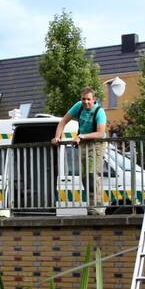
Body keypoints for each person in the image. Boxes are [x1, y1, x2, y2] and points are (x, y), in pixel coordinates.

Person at [52, 87, 108, 215]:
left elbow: (100, 133)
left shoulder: (99, 111)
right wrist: (57, 137)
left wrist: (81, 136)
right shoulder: (78, 106)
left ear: (94, 99)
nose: (86, 102)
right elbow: (63, 122)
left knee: (92, 175)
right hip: (83, 144)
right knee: (85, 177)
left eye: (88, 99)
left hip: (96, 144)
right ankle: (91, 207)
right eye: (83, 99)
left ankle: (98, 208)